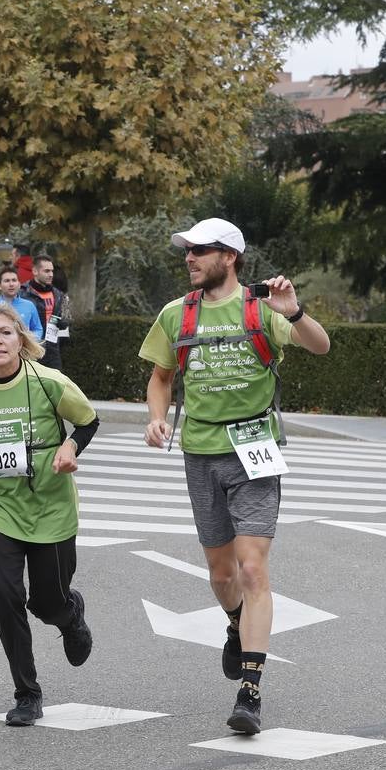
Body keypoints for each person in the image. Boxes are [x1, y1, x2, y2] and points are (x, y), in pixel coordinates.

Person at [139, 217, 331, 735]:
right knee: (223, 577)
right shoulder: (176, 314)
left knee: (252, 570)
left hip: (253, 453)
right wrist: (156, 416)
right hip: (200, 453)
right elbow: (160, 378)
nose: (189, 258)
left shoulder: (261, 308)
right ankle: (234, 623)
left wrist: (295, 312)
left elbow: (320, 346)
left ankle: (251, 690)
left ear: (229, 256)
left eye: (200, 250)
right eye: (187, 251)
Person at [0, 303, 98, 725]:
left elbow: (88, 422)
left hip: (51, 504)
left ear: (21, 339)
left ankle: (70, 615)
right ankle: (26, 693)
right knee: (5, 596)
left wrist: (70, 447)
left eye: (5, 332)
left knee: (46, 602)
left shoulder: (50, 382)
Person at [21, 255, 71, 370]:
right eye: (47, 271)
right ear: (35, 271)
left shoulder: (58, 294)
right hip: (31, 349)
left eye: (52, 271)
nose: (51, 275)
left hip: (53, 350)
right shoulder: (22, 293)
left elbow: (65, 321)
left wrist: (63, 324)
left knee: (55, 385)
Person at [0, 267, 43, 339]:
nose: (11, 284)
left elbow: (38, 329)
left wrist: (31, 340)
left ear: (19, 284)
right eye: (7, 281)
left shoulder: (29, 305)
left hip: (24, 348)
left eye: (14, 280)